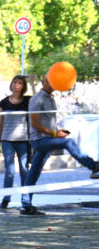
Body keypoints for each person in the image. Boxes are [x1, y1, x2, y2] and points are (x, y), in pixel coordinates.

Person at [20, 74, 99, 216]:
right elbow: (36, 124)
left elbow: (48, 121)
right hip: (39, 141)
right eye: (49, 82)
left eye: (53, 82)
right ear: (43, 82)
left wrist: (55, 133)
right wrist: (55, 135)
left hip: (47, 139)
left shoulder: (50, 99)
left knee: (33, 174)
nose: (51, 85)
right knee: (68, 142)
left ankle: (26, 206)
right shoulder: (36, 99)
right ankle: (93, 166)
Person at [0, 75, 31, 209]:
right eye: (15, 82)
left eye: (20, 82)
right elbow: (0, 124)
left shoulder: (28, 101)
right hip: (6, 140)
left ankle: (26, 200)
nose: (16, 84)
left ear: (23, 86)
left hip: (23, 140)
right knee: (9, 170)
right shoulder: (3, 103)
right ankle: (6, 198)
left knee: (24, 169)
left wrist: (32, 82)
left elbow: (39, 100)